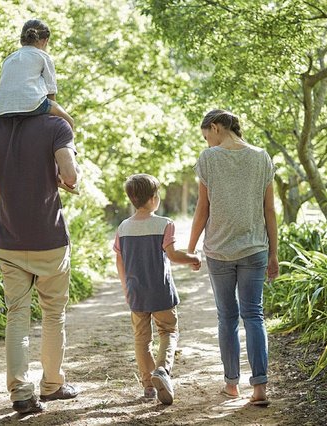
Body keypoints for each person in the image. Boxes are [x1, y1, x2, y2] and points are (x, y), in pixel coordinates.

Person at [0, 109, 80, 414]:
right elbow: (71, 175)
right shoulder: (56, 126)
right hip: (49, 240)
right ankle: (51, 385)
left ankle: (21, 394)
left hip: (10, 240)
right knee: (53, 313)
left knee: (17, 315)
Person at [187, 109, 279, 406]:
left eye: (206, 136)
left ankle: (231, 385)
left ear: (216, 127)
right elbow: (270, 211)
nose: (207, 143)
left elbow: (203, 208)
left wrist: (191, 247)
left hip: (219, 251)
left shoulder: (209, 159)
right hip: (255, 249)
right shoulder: (262, 157)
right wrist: (274, 253)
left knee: (227, 318)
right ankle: (260, 388)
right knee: (254, 315)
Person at [113, 174, 201, 405]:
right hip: (161, 292)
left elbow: (119, 261)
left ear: (132, 199)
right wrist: (193, 258)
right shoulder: (164, 224)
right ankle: (162, 370)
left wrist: (125, 287)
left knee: (141, 339)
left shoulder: (123, 228)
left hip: (136, 293)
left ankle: (148, 386)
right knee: (168, 332)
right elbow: (172, 255)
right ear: (153, 199)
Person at [0, 19, 74, 130]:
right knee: (69, 121)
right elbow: (51, 93)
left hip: (0, 108)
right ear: (45, 41)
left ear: (22, 39)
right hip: (32, 105)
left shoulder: (9, 58)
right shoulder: (43, 57)